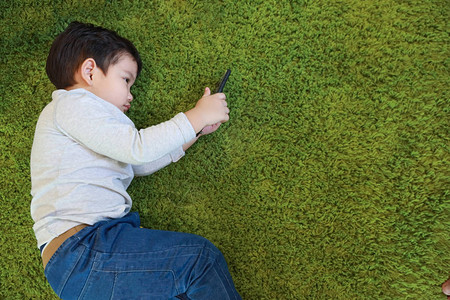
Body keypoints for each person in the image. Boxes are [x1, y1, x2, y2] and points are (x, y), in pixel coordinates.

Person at [30, 21, 241, 300]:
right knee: (199, 260)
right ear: (90, 71)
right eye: (126, 79)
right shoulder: (71, 104)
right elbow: (138, 149)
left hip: (86, 258)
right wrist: (196, 116)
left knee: (184, 290)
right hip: (83, 250)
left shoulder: (90, 123)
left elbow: (139, 163)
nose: (130, 95)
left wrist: (196, 131)